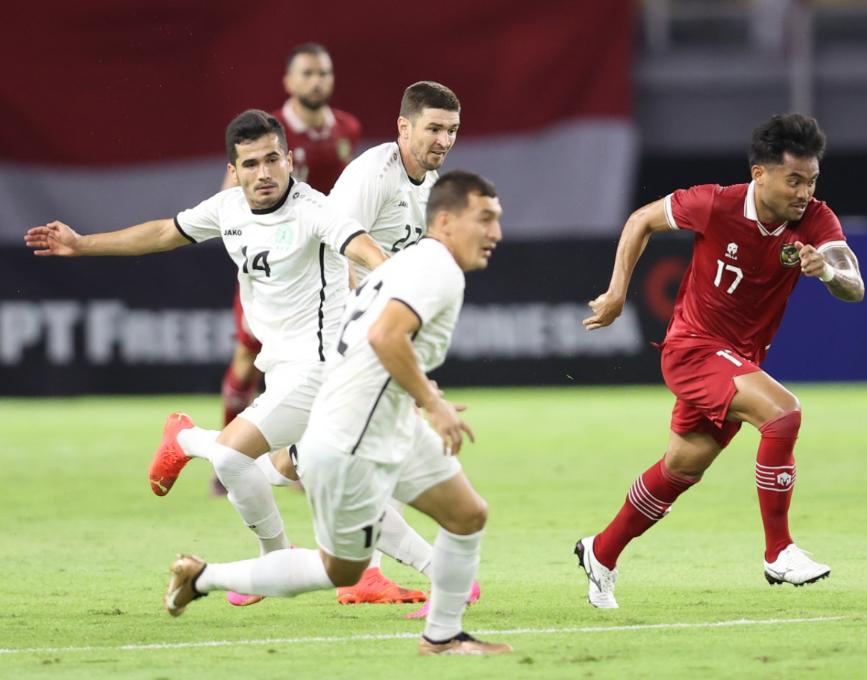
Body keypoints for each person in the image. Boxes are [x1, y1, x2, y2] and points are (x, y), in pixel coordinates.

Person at [25, 108, 391, 596]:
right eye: (250, 164)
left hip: (320, 370)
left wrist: (406, 282)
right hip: (282, 370)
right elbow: (161, 234)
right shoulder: (228, 210)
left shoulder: (314, 210)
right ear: (234, 171)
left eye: (272, 160)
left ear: (289, 159)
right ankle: (293, 561)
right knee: (293, 465)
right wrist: (82, 243)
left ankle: (264, 546)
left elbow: (367, 250)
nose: (263, 173)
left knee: (244, 459)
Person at [163, 170, 511, 657]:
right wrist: (432, 403)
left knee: (468, 514)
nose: (496, 232)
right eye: (486, 219)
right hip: (352, 438)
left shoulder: (414, 262)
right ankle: (203, 578)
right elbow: (384, 336)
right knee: (340, 570)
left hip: (387, 423)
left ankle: (442, 636)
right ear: (448, 220)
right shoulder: (436, 269)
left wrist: (417, 388)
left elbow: (375, 339)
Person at [574, 114, 865, 608]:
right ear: (760, 174)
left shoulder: (815, 218)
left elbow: (853, 283)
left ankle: (600, 552)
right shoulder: (715, 203)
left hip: (739, 357)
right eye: (793, 180)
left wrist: (829, 272)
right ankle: (779, 551)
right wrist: (618, 293)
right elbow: (641, 218)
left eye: (811, 180)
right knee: (784, 413)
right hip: (693, 348)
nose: (803, 192)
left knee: (680, 470)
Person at [254, 80, 472, 613]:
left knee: (329, 456)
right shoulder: (374, 175)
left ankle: (204, 448)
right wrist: (368, 338)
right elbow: (330, 245)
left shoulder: (429, 182)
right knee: (367, 451)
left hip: (361, 328)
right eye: (433, 128)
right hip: (326, 324)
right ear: (403, 126)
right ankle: (404, 571)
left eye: (451, 130)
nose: (443, 140)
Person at [217, 43, 362, 495]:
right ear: (289, 82)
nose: (317, 81)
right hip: (272, 263)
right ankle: (226, 451)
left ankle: (297, 458)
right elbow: (230, 198)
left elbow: (347, 197)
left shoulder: (347, 129)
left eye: (324, 72)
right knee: (249, 358)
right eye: (308, 73)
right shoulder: (269, 137)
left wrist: (350, 258)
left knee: (325, 361)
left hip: (323, 262)